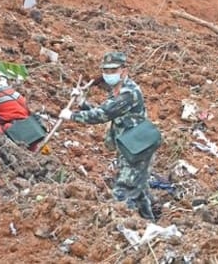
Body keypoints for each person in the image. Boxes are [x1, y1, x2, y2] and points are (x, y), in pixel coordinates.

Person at [58, 51, 159, 220]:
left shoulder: (129, 93)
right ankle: (150, 224)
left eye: (113, 70)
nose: (109, 74)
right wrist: (81, 103)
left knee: (122, 192)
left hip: (139, 150)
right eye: (106, 71)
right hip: (129, 147)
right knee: (138, 191)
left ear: (124, 71)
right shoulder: (117, 91)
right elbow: (106, 113)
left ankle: (124, 226)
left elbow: (103, 114)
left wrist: (72, 115)